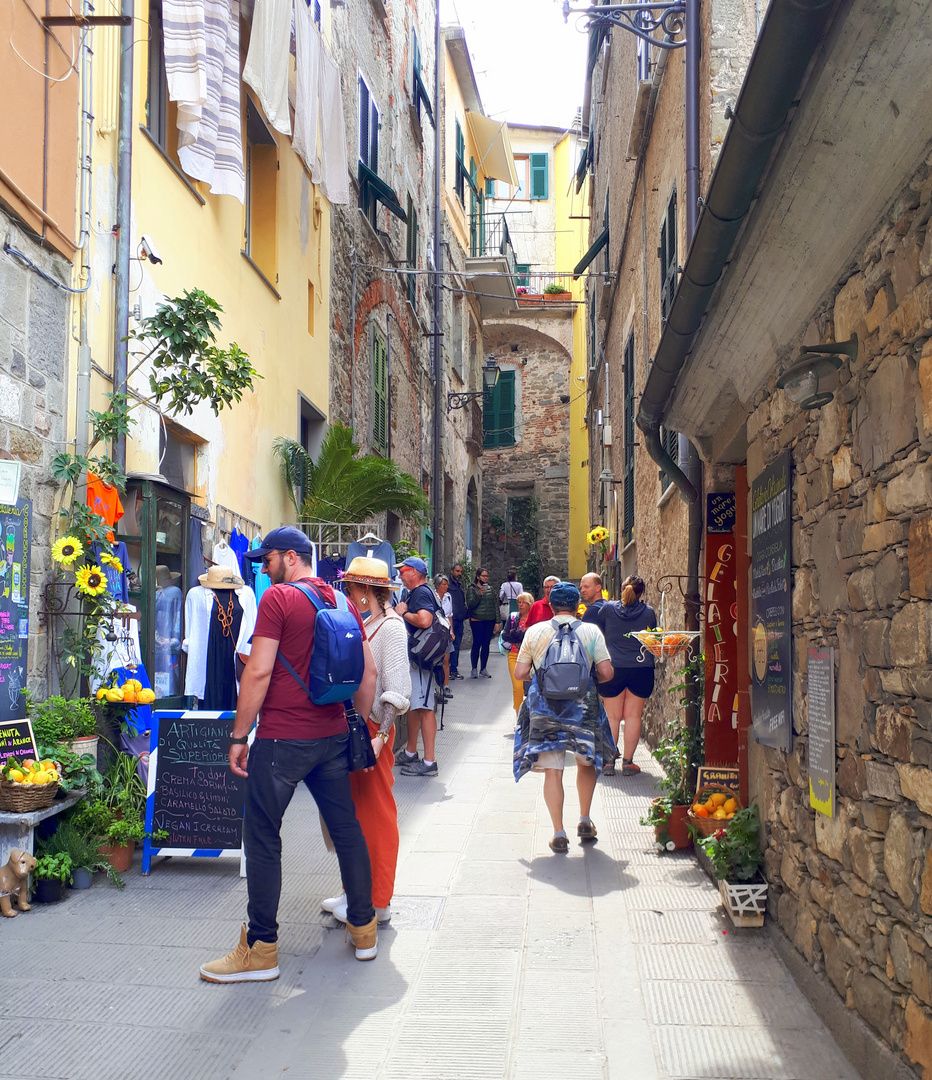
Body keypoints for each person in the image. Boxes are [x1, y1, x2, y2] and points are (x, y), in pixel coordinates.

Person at [200, 527, 380, 982]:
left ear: (291, 558)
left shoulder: (279, 600)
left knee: (262, 835)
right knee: (347, 828)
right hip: (332, 738)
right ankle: (363, 929)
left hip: (282, 739)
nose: (261, 568)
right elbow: (368, 676)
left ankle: (261, 950)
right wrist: (348, 725)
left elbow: (258, 671)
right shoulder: (342, 602)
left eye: (268, 559)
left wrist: (240, 736)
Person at [322, 556, 411, 926]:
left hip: (372, 730)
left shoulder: (390, 627)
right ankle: (355, 890)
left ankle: (376, 900)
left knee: (374, 813)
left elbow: (397, 688)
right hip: (360, 728)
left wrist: (381, 735)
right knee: (356, 814)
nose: (347, 594)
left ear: (362, 591)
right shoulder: (372, 622)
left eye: (350, 588)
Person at [513, 582, 615, 853]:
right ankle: (584, 819)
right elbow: (607, 672)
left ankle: (558, 832)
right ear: (575, 605)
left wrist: (542, 674)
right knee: (585, 763)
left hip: (545, 710)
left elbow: (520, 672)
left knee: (553, 769)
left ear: (553, 604)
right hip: (583, 709)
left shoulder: (535, 631)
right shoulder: (591, 631)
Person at [594, 575, 658, 777]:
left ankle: (609, 762)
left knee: (612, 716)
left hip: (614, 668)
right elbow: (652, 638)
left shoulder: (607, 610)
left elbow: (599, 634)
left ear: (622, 589)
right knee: (633, 716)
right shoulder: (648, 613)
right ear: (642, 593)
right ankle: (629, 762)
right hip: (641, 668)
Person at [394, 556, 442, 777]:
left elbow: (424, 620)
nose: (400, 575)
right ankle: (411, 752)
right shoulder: (425, 591)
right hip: (423, 657)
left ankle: (429, 761)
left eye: (403, 570)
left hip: (421, 659)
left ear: (414, 572)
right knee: (417, 705)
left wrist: (402, 613)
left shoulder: (421, 593)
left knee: (424, 708)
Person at [501, 591, 534, 714]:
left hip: (531, 658)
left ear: (529, 604)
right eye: (519, 602)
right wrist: (520, 635)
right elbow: (505, 635)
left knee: (532, 688)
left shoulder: (534, 619)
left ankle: (531, 714)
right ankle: (518, 715)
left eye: (523, 603)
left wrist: (516, 634)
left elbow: (531, 638)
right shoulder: (513, 617)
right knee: (517, 687)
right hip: (514, 655)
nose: (520, 605)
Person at [466, 566, 499, 678]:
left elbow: (495, 606)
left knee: (486, 644)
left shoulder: (491, 589)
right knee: (476, 643)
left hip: (489, 620)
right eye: (483, 576)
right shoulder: (471, 589)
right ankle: (474, 668)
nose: (485, 578)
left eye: (486, 576)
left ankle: (483, 668)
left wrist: (497, 621)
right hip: (477, 620)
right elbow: (470, 605)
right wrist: (478, 595)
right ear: (478, 576)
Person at [434, 574, 454, 701]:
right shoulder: (432, 596)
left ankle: (445, 686)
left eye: (447, 584)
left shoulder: (448, 597)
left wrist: (451, 631)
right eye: (444, 584)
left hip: (446, 630)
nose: (446, 587)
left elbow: (450, 615)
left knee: (446, 660)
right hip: (436, 631)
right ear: (437, 585)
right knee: (436, 660)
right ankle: (436, 688)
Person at [447, 563, 468, 679]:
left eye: (460, 572)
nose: (459, 574)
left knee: (457, 646)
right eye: (457, 571)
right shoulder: (448, 586)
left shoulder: (459, 586)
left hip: (459, 620)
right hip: (451, 620)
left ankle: (454, 669)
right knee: (449, 646)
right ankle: (448, 669)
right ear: (452, 571)